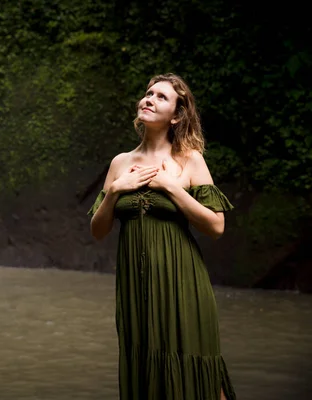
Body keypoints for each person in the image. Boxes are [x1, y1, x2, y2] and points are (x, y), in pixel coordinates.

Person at [88, 73, 236, 400]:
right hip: (135, 287)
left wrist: (171, 188)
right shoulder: (120, 163)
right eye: (148, 93)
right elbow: (98, 232)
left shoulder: (189, 159)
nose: (149, 99)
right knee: (147, 372)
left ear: (177, 115)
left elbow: (216, 226)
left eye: (161, 97)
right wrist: (113, 192)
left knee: (199, 372)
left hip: (181, 280)